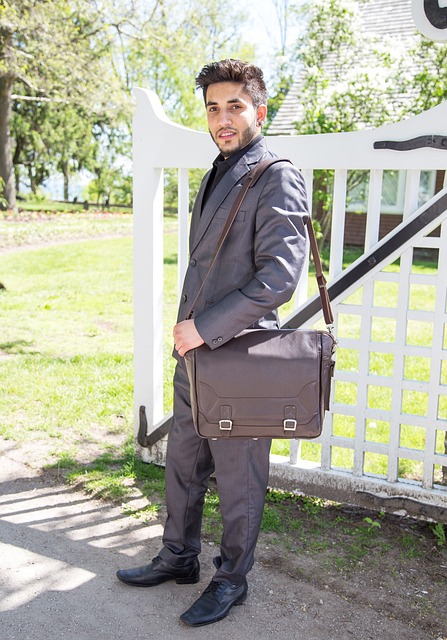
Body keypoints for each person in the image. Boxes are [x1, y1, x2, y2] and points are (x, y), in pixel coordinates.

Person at [117, 59, 309, 627]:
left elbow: (280, 276)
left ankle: (231, 580)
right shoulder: (219, 168)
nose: (221, 119)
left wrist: (204, 327)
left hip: (238, 355)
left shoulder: (275, 173)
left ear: (260, 110)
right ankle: (178, 557)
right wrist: (191, 337)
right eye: (212, 108)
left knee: (238, 476)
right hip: (195, 355)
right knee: (182, 459)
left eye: (234, 106)